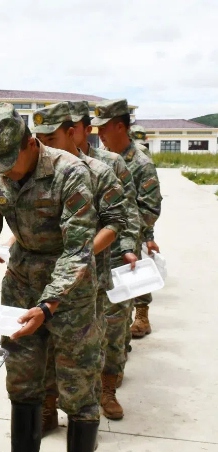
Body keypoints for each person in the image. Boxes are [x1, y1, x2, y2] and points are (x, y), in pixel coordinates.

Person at [0, 103, 101, 452]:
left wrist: (48, 306)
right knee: (22, 381)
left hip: (71, 292)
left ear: (31, 144)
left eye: (11, 163)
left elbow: (78, 249)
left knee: (78, 388)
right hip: (21, 284)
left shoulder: (70, 173)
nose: (5, 174)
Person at [33, 102, 131, 429]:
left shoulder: (102, 168)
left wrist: (82, 252)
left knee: (89, 349)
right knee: (44, 348)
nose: (44, 143)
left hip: (90, 278)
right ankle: (47, 407)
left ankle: (98, 398)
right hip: (45, 280)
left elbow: (119, 220)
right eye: (40, 136)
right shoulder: (39, 169)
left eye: (52, 135)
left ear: (73, 131)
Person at [70, 101, 142, 404]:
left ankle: (108, 389)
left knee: (112, 330)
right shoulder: (48, 164)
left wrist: (128, 247)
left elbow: (129, 211)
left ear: (86, 130)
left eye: (72, 129)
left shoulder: (111, 163)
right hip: (71, 265)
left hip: (109, 260)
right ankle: (54, 402)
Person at [93, 99, 162, 344]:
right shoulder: (102, 160)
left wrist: (129, 231)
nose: (99, 133)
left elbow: (150, 208)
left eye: (104, 128)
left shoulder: (141, 162)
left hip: (126, 240)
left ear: (120, 127)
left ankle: (136, 323)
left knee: (121, 299)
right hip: (102, 238)